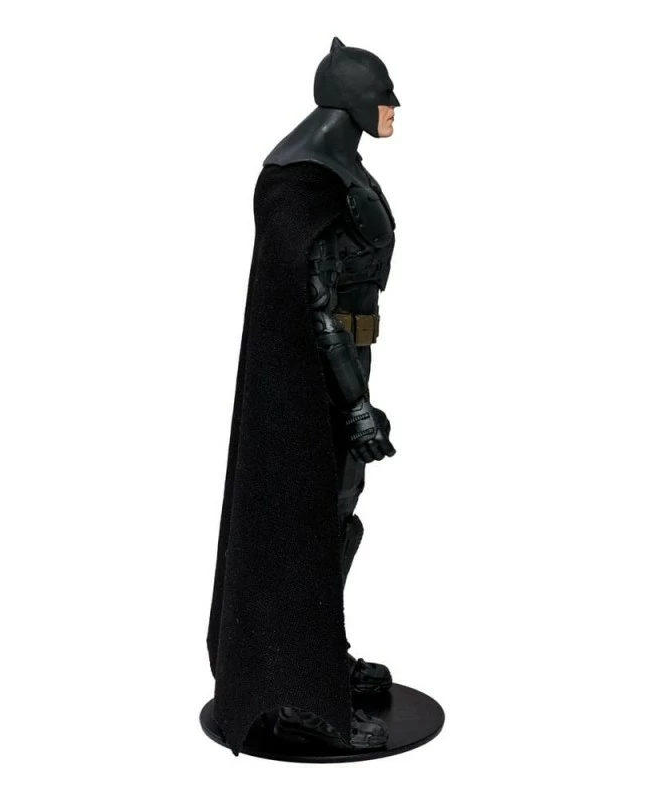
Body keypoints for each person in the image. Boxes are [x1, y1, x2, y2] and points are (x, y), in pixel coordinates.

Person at [207, 37, 401, 754]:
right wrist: (354, 406)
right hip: (313, 380)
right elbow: (315, 310)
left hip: (344, 362)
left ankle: (320, 659)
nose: (394, 107)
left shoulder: (338, 167)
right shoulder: (304, 179)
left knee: (335, 515)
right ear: (353, 99)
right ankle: (293, 692)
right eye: (383, 93)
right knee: (302, 525)